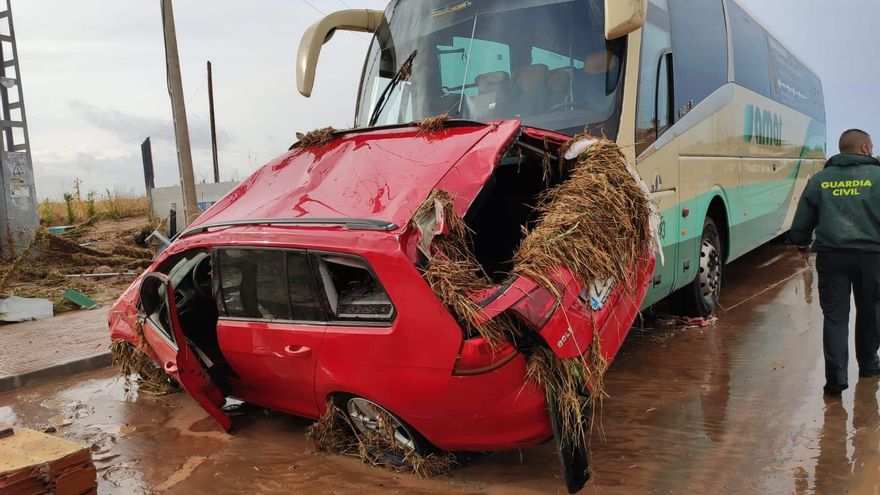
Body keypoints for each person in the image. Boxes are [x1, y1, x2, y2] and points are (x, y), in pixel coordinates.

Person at [790, 129, 880, 396]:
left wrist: (801, 241)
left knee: (835, 316)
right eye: (872, 146)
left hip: (831, 256)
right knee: (871, 311)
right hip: (872, 257)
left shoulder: (820, 180)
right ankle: (869, 364)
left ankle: (836, 377)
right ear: (864, 148)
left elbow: (803, 217)